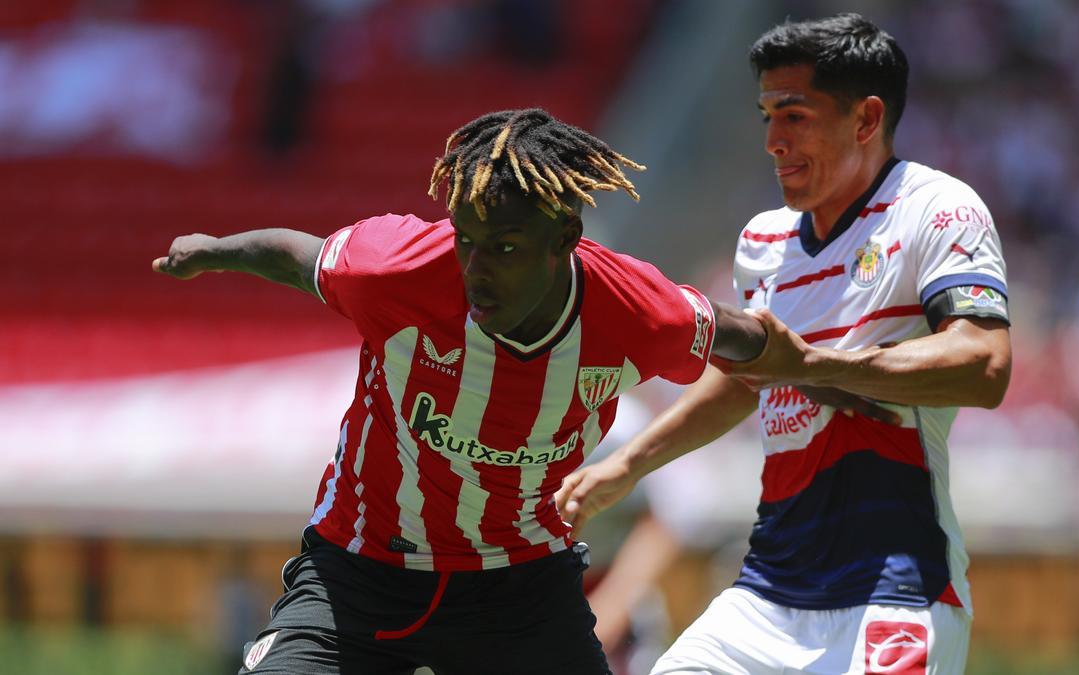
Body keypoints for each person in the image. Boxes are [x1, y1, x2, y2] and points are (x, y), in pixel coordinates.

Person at [151, 108, 768, 675]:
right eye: (465, 240)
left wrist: (839, 368)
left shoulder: (640, 311)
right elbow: (294, 256)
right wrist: (214, 251)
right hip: (360, 572)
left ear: (563, 238)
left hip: (522, 588)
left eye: (503, 248)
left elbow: (754, 345)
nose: (475, 270)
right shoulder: (394, 268)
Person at [556, 14, 1013, 674]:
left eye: (794, 116)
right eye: (767, 114)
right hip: (767, 594)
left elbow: (984, 361)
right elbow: (753, 377)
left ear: (865, 119)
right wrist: (627, 466)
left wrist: (814, 364)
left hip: (895, 591)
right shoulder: (763, 242)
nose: (772, 141)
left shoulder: (937, 208)